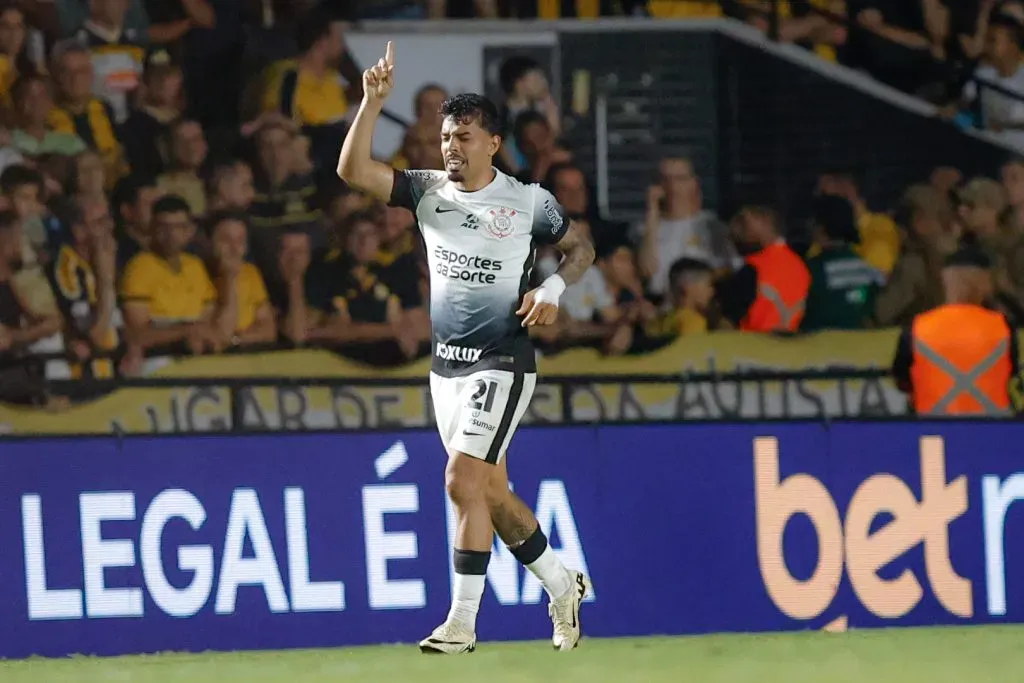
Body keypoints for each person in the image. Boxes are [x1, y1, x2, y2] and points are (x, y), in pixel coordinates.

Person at [337, 42, 595, 655]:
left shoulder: (529, 201)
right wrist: (371, 104)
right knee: (493, 493)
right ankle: (563, 586)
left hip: (504, 360)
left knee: (460, 480)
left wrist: (553, 285)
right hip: (445, 368)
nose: (451, 146)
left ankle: (461, 623)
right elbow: (352, 172)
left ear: (493, 144)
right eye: (447, 136)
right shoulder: (428, 192)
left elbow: (581, 249)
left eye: (464, 137)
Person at [892, 247, 1016, 416]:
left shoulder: (917, 327)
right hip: (993, 434)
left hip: (933, 433)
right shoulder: (1003, 326)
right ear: (983, 282)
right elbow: (1012, 371)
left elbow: (902, 380)